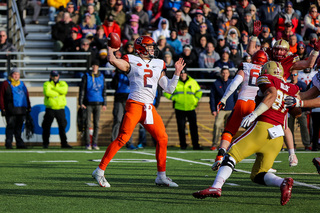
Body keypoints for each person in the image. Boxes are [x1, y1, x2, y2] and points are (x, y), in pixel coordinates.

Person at [193, 61, 298, 206]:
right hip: (278, 137)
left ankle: (216, 187)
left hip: (262, 127)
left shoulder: (266, 79)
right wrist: (292, 152)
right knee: (257, 175)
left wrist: (254, 114)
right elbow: (295, 114)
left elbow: (272, 94)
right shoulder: (292, 88)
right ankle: (282, 182)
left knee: (231, 154)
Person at [92, 35, 185, 188]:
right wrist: (110, 49)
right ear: (141, 48)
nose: (152, 49)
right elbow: (113, 61)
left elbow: (169, 88)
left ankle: (161, 176)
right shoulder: (131, 60)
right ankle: (99, 170)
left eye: (152, 46)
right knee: (122, 138)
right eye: (149, 46)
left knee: (162, 138)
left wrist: (176, 73)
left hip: (149, 107)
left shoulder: (158, 63)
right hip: (135, 104)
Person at [211, 50, 269, 167]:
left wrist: (224, 99)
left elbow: (234, 84)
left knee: (229, 130)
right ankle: (263, 162)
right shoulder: (266, 71)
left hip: (241, 102)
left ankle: (220, 155)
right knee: (260, 133)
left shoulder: (246, 67)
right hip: (256, 105)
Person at [164, 67, 203, 150]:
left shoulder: (192, 82)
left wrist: (195, 100)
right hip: (179, 108)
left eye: (184, 73)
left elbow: (199, 92)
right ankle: (183, 145)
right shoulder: (175, 82)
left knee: (194, 128)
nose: (183, 75)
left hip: (191, 108)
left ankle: (195, 145)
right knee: (181, 128)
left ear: (187, 74)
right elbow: (166, 92)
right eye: (181, 73)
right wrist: (173, 98)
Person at [79, 60, 107, 150]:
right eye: (93, 65)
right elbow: (82, 90)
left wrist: (104, 103)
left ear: (98, 67)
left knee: (97, 124)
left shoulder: (101, 76)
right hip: (88, 103)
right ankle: (88, 143)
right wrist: (81, 102)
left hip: (98, 103)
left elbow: (104, 90)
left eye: (96, 65)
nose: (95, 67)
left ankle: (94, 143)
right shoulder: (86, 76)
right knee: (87, 124)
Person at [0, 68, 30, 149]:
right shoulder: (5, 84)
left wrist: (29, 107)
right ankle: (8, 143)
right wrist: (2, 108)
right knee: (10, 126)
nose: (16, 76)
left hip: (21, 109)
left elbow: (26, 96)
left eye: (18, 74)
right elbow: (1, 96)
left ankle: (19, 143)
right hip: (10, 109)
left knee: (19, 128)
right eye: (14, 74)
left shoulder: (22, 84)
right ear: (11, 75)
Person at [42, 71, 72, 149]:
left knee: (62, 127)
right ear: (50, 76)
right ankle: (45, 143)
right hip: (50, 108)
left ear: (58, 76)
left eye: (56, 76)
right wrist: (58, 93)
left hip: (60, 108)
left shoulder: (63, 83)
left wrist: (54, 88)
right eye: (53, 76)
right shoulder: (47, 84)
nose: (55, 77)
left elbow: (64, 91)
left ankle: (64, 143)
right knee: (46, 127)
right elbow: (47, 93)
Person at [210, 67, 237, 151]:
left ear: (229, 74)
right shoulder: (216, 83)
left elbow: (236, 96)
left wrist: (236, 108)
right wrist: (213, 109)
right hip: (221, 109)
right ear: (221, 74)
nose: (225, 74)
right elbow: (212, 97)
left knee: (229, 128)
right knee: (217, 125)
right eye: (223, 73)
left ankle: (228, 144)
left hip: (230, 109)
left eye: (226, 73)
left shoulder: (233, 82)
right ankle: (215, 144)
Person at [287, 72, 310, 150]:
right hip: (290, 109)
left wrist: (306, 109)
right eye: (292, 75)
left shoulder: (302, 84)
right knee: (289, 128)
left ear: (298, 75)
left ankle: (307, 144)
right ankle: (292, 145)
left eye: (295, 75)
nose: (293, 76)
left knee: (304, 126)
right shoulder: (287, 85)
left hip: (301, 108)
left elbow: (307, 96)